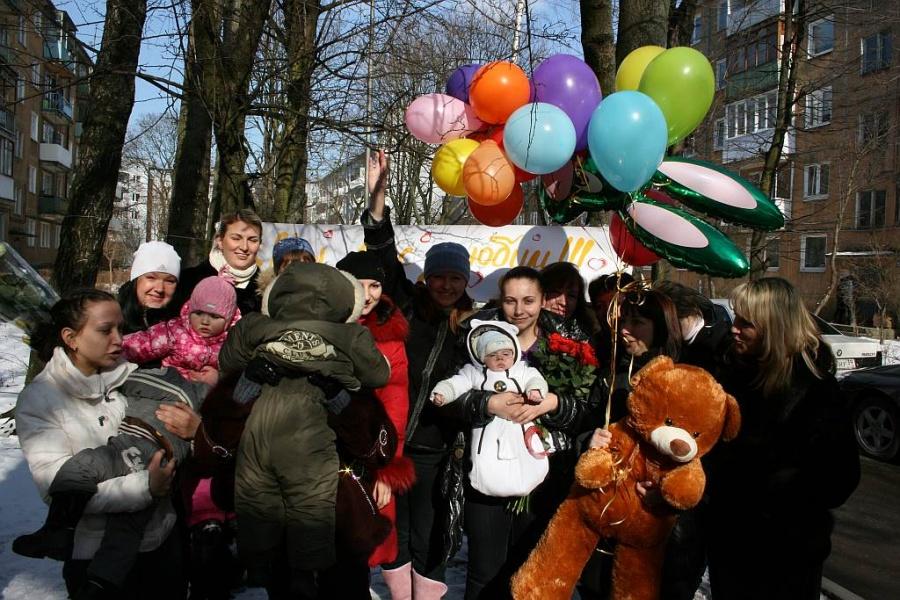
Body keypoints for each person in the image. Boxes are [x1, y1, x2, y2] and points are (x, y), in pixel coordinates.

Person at [218, 261, 391, 599]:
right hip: (314, 438)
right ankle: (304, 569)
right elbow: (377, 375)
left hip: (260, 431)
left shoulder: (257, 326)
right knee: (312, 502)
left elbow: (228, 360)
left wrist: (251, 373)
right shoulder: (349, 334)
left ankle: (259, 560)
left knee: (255, 493)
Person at [14, 289, 199, 600]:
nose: (118, 339)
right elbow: (56, 489)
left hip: (162, 543)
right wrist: (146, 487)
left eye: (121, 329)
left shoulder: (138, 378)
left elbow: (171, 443)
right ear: (71, 338)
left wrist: (196, 432)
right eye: (105, 330)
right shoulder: (41, 401)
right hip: (93, 559)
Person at [360, 149, 473, 599]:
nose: (446, 285)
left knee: (431, 535)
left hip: (435, 451)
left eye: (455, 279)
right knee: (394, 533)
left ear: (466, 282)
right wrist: (378, 196)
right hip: (393, 443)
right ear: (427, 278)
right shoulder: (407, 305)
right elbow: (384, 252)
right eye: (439, 276)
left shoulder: (472, 326)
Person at [703, 277, 860, 599]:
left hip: (786, 554)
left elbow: (841, 478)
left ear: (773, 327)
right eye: (735, 318)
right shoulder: (733, 374)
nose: (734, 328)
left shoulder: (815, 391)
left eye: (746, 323)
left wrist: (772, 493)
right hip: (730, 544)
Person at [458, 267, 583, 600]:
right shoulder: (477, 341)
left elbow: (585, 410)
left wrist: (554, 404)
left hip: (543, 475)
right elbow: (453, 397)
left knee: (530, 570)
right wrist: (487, 404)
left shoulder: (566, 346)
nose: (519, 310)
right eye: (511, 300)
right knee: (484, 571)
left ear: (543, 301)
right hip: (487, 471)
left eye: (528, 300)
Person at [319, 250, 415, 597]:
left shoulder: (389, 335)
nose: (368, 294)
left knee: (355, 553)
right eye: (357, 284)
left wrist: (387, 469)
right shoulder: (319, 325)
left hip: (365, 458)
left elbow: (395, 408)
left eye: (374, 284)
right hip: (316, 455)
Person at [122, 276, 240, 387]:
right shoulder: (176, 331)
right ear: (190, 311)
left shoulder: (232, 343)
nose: (205, 321)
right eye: (198, 313)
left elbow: (239, 373)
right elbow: (145, 343)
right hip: (170, 387)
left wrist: (219, 377)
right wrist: (114, 350)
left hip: (206, 396)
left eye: (214, 316)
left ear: (228, 321)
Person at [173, 209, 263, 316]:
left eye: (252, 240)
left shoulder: (267, 290)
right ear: (220, 241)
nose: (244, 247)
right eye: (236, 238)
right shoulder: (186, 281)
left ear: (260, 244)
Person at [118, 241, 181, 335]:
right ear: (135, 279)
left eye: (170, 281)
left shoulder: (180, 329)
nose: (160, 289)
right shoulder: (112, 319)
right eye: (151, 278)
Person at [540, 262, 596, 342]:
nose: (563, 302)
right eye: (556, 292)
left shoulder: (586, 338)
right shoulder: (523, 329)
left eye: (571, 296)